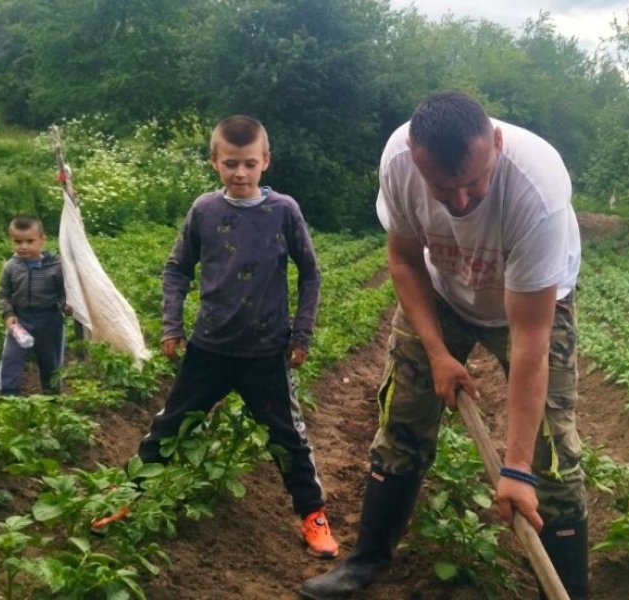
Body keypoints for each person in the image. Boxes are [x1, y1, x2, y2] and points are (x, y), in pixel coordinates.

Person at [301, 92, 587, 599]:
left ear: (496, 143)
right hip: (442, 294)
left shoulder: (536, 190)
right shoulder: (398, 163)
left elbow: (531, 341)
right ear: (416, 159)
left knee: (553, 455)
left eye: (474, 182)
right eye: (443, 187)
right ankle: (366, 562)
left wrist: (515, 469)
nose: (460, 202)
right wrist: (437, 354)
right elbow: (406, 260)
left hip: (528, 307)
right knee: (402, 420)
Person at [133, 115, 339, 559]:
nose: (240, 173)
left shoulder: (284, 211)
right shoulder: (204, 210)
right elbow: (176, 269)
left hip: (267, 352)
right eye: (230, 164)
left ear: (265, 161)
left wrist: (301, 333)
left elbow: (311, 274)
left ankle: (313, 516)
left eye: (249, 163)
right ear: (214, 162)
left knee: (288, 439)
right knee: (169, 424)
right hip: (209, 347)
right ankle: (129, 497)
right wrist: (172, 325)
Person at [0, 216, 67, 396]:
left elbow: (65, 293)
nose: (23, 246)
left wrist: (66, 305)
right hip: (20, 320)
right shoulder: (11, 267)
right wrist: (8, 314)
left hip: (49, 320)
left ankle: (52, 397)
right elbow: (4, 294)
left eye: (29, 241)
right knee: (11, 358)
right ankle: (9, 396)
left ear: (42, 240)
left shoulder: (56, 266)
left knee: (50, 360)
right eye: (18, 241)